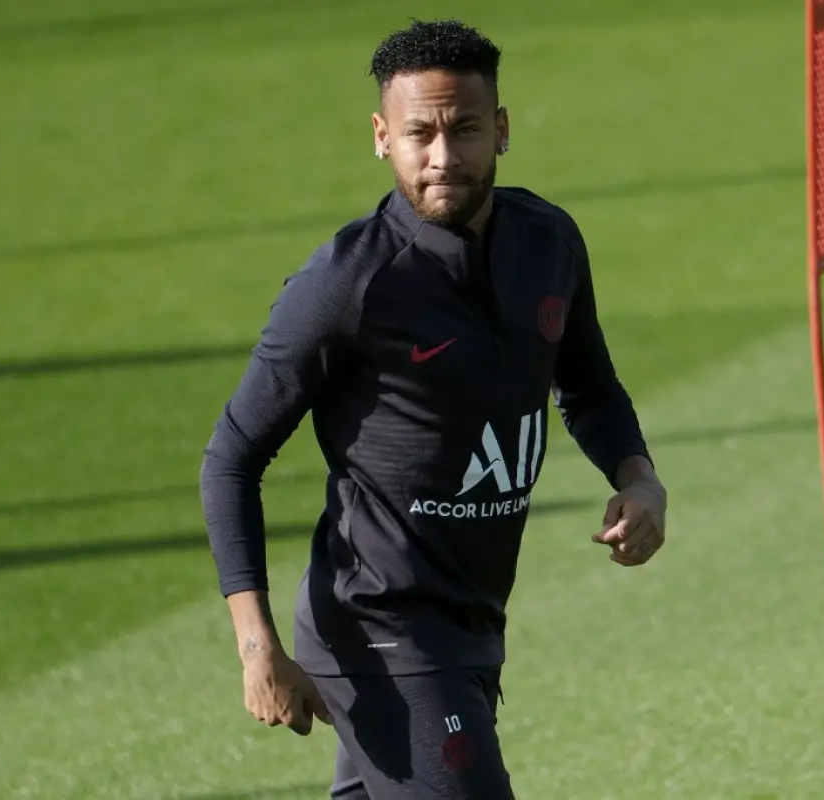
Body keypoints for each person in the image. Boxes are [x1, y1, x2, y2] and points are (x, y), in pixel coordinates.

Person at [199, 18, 668, 799]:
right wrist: (257, 649)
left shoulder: (550, 242)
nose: (443, 157)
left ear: (503, 130)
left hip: (475, 619)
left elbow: (587, 385)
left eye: (465, 130)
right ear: (383, 137)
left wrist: (640, 478)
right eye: (420, 134)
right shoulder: (346, 284)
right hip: (380, 626)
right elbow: (232, 456)